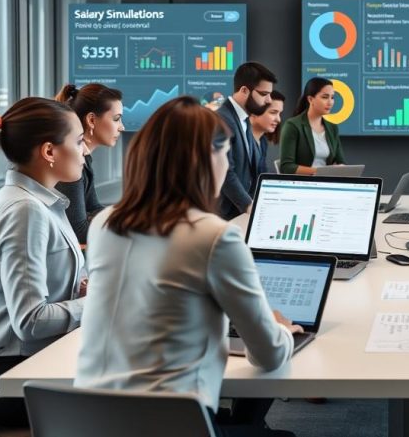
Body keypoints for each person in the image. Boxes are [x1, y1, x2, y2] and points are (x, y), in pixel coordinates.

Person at [75, 96, 299, 437]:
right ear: (207, 160)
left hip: (92, 422)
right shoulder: (214, 236)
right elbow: (268, 356)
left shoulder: (106, 225)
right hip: (176, 425)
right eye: (225, 154)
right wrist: (281, 328)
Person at [0, 97, 88, 427]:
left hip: (36, 363)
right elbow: (31, 321)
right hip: (15, 380)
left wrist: (80, 290)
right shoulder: (24, 211)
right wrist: (96, 304)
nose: (85, 151)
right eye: (78, 141)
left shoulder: (37, 203)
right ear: (49, 152)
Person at [54, 83, 124, 244]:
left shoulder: (84, 158)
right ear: (91, 120)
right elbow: (79, 230)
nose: (122, 127)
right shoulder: (71, 160)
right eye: (116, 119)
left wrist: (132, 218)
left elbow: (93, 208)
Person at [217, 62, 278, 219]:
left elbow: (255, 168)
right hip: (228, 216)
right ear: (244, 90)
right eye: (264, 94)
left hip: (241, 214)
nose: (269, 100)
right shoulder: (222, 119)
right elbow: (224, 171)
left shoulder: (243, 120)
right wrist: (249, 206)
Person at [278, 77, 346, 175]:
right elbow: (286, 167)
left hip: (327, 184)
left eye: (332, 97)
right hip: (302, 184)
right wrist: (322, 172)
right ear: (310, 99)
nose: (330, 102)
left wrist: (341, 168)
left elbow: (341, 162)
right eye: (325, 97)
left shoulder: (332, 128)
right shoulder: (292, 126)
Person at [249, 90, 286, 174]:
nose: (278, 119)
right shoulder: (239, 141)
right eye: (273, 112)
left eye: (279, 113)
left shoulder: (262, 142)